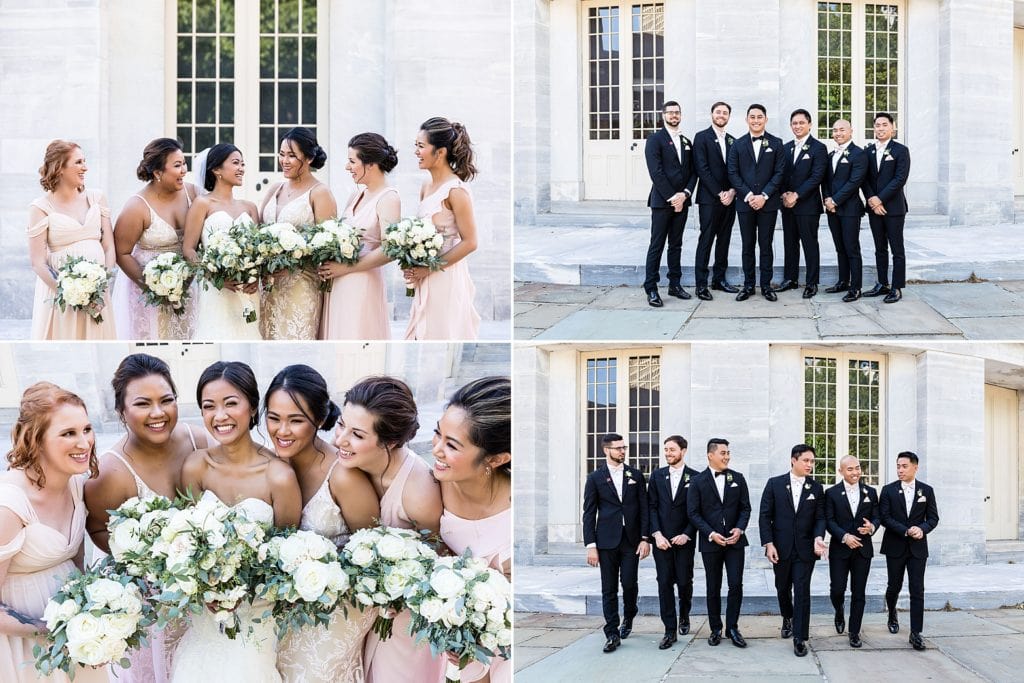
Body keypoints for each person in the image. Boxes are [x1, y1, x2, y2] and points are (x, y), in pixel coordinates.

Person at [173, 361, 301, 682]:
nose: (220, 416)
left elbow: (285, 559)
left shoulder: (279, 475)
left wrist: (241, 593)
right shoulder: (195, 467)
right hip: (204, 617)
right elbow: (182, 541)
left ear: (253, 406)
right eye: (208, 406)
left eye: (231, 403)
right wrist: (205, 591)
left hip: (255, 619)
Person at [83, 354, 208, 682]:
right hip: (151, 607)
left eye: (167, 400)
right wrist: (144, 556)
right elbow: (97, 528)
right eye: (143, 403)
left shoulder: (198, 441)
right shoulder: (109, 473)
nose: (158, 413)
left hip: (203, 599)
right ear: (121, 411)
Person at [264, 365, 379, 683]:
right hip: (284, 613)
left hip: (337, 615)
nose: (282, 431)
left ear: (318, 419)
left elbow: (374, 555)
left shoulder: (343, 476)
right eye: (274, 417)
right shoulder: (269, 466)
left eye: (296, 420)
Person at [336, 377, 444, 682]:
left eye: (356, 434)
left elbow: (438, 562)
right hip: (357, 617)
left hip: (403, 624)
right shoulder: (347, 465)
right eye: (341, 425)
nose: (340, 440)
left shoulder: (419, 493)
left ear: (391, 442)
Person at [0, 382, 107, 682]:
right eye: (68, 433)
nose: (84, 443)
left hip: (77, 640)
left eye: (87, 429)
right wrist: (48, 629)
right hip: (23, 647)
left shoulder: (75, 485)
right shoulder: (9, 505)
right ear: (36, 440)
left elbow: (77, 563)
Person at [434, 377, 511, 682]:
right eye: (437, 435)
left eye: (451, 445)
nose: (437, 450)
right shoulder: (432, 488)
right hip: (454, 644)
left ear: (495, 459)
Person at [27, 140, 117, 340]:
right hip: (62, 297)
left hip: (99, 296)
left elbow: (109, 248)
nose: (85, 167)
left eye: (84, 161)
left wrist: (102, 289)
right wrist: (71, 293)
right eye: (78, 162)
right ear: (60, 168)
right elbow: (38, 263)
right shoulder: (40, 208)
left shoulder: (97, 198)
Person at [112, 138, 200, 339]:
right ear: (158, 172)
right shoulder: (137, 207)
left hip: (188, 285)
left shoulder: (192, 193)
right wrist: (154, 287)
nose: (184, 170)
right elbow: (121, 252)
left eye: (184, 163)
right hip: (148, 292)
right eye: (177, 165)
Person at [404, 117, 481, 340]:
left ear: (440, 152)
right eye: (415, 146)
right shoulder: (426, 185)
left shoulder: (457, 191)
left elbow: (470, 242)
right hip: (423, 274)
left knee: (440, 331)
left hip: (445, 275)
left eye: (421, 146)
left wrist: (430, 268)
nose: (416, 152)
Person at [319, 133, 400, 340]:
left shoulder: (388, 198)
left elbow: (390, 249)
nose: (347, 167)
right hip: (338, 282)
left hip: (361, 282)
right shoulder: (356, 195)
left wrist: (346, 268)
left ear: (371, 164)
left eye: (352, 161)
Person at [259, 127, 337, 340]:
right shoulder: (275, 188)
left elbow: (327, 247)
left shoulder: (320, 193)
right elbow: (257, 233)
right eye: (282, 154)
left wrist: (291, 263)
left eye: (292, 155)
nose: (284, 160)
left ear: (309, 157)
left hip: (300, 287)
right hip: (268, 287)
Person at [182, 143, 262, 340]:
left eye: (243, 164)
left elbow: (259, 252)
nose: (241, 168)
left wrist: (256, 277)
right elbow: (189, 250)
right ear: (216, 169)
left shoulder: (250, 207)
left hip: (247, 290)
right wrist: (215, 277)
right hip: (216, 290)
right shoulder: (203, 204)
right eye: (236, 163)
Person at [582, 434, 650, 654]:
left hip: (631, 540)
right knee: (608, 589)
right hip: (606, 541)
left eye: (624, 448)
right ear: (606, 450)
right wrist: (591, 545)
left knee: (629, 583)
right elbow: (589, 513)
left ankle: (629, 616)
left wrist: (644, 538)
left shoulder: (636, 476)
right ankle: (611, 633)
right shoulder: (595, 478)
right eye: (618, 448)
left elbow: (644, 509)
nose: (623, 451)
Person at [758, 444, 826, 657]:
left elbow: (820, 517)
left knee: (803, 591)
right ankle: (787, 616)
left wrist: (818, 537)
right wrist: (769, 544)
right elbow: (764, 516)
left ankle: (800, 637)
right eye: (806, 460)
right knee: (782, 588)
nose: (810, 465)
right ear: (793, 460)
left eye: (812, 461)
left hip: (806, 550)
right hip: (781, 548)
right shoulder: (774, 484)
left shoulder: (816, 488)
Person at [686, 438, 750, 648]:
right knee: (713, 586)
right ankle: (715, 628)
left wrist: (739, 529)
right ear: (710, 455)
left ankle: (733, 627)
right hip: (710, 543)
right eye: (723, 453)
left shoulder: (738, 478)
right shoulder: (697, 481)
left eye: (728, 453)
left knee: (735, 585)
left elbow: (745, 508)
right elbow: (693, 513)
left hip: (735, 543)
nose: (727, 456)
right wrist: (710, 533)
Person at [879, 451, 939, 651]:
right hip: (895, 546)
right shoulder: (888, 490)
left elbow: (933, 518)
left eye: (904, 466)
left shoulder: (926, 491)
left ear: (915, 467)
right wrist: (906, 530)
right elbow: (885, 518)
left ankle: (916, 633)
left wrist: (922, 529)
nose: (900, 470)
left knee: (917, 589)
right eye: (898, 466)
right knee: (893, 586)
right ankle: (892, 613)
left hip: (918, 549)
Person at [727, 105, 787, 301]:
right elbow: (733, 173)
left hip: (768, 204)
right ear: (746, 120)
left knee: (766, 245)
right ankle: (748, 285)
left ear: (766, 119)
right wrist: (748, 196)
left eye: (759, 117)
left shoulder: (777, 143)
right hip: (745, 204)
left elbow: (779, 173)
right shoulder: (737, 144)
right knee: (747, 245)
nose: (756, 120)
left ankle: (766, 286)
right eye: (752, 117)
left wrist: (765, 196)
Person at [647, 435, 699, 649]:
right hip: (662, 541)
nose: (668, 453)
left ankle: (684, 615)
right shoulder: (657, 476)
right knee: (664, 583)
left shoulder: (696, 477)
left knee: (685, 582)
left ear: (683, 451)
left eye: (672, 450)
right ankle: (669, 629)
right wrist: (656, 535)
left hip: (685, 540)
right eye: (666, 450)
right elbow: (651, 507)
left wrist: (687, 533)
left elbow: (697, 510)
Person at [643, 100, 696, 307]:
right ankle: (651, 288)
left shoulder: (686, 141)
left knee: (676, 244)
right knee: (657, 245)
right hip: (662, 202)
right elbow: (656, 172)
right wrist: (673, 197)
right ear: (663, 115)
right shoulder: (655, 139)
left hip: (683, 201)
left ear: (681, 115)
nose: (674, 115)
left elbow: (692, 172)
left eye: (677, 113)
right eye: (670, 112)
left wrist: (685, 194)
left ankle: (675, 284)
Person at [824, 455, 879, 649]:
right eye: (850, 469)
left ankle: (854, 632)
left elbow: (877, 516)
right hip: (840, 549)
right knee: (837, 589)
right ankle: (839, 609)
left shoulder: (870, 492)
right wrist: (844, 536)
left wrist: (872, 527)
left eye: (857, 468)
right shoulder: (831, 493)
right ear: (841, 471)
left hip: (863, 550)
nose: (855, 472)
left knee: (859, 592)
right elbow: (829, 521)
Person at [778, 110, 828, 299]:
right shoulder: (785, 148)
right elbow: (780, 173)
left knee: (809, 244)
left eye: (801, 123)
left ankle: (811, 282)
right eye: (794, 123)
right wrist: (784, 194)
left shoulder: (818, 148)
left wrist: (796, 195)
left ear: (809, 124)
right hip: (787, 204)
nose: (797, 126)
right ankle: (790, 279)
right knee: (789, 243)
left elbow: (817, 176)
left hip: (807, 205)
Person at [862, 113, 911, 304]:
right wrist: (872, 200)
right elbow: (864, 179)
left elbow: (900, 179)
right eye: (877, 125)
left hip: (894, 208)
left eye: (884, 125)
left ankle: (896, 287)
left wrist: (879, 199)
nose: (880, 128)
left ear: (892, 127)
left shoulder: (900, 150)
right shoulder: (868, 152)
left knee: (896, 248)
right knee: (879, 248)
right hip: (874, 208)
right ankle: (882, 283)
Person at [692, 101, 739, 300]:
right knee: (706, 239)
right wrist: (720, 193)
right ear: (711, 114)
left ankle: (719, 279)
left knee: (724, 240)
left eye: (725, 113)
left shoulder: (733, 140)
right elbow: (702, 169)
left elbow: (737, 170)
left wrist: (732, 192)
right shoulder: (701, 138)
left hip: (730, 199)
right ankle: (701, 284)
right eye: (718, 112)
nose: (721, 115)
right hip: (710, 199)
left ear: (729, 116)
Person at [821, 119, 868, 302]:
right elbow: (826, 180)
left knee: (851, 248)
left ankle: (855, 287)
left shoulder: (859, 154)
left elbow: (854, 182)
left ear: (851, 131)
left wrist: (835, 200)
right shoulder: (831, 154)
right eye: (835, 130)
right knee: (840, 247)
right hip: (832, 209)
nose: (838, 133)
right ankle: (843, 281)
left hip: (849, 209)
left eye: (842, 130)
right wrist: (827, 199)